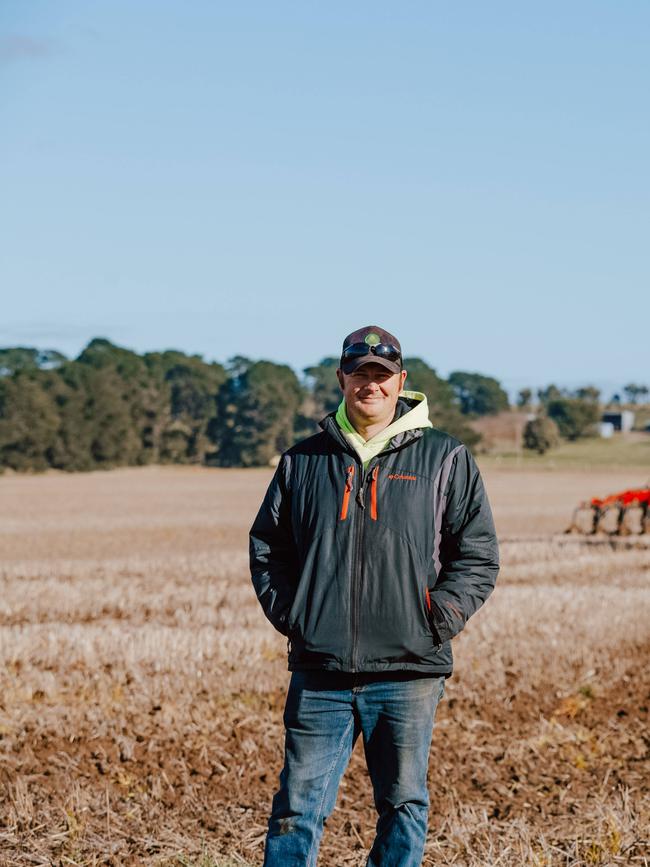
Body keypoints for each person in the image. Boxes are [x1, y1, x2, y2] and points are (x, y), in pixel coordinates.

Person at [249, 325, 499, 866]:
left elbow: (476, 555)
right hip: (321, 670)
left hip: (409, 668)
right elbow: (269, 548)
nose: (371, 385)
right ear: (342, 378)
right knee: (296, 808)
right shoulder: (303, 461)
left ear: (401, 381)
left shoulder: (445, 458)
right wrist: (299, 617)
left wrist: (434, 619)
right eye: (360, 373)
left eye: (381, 375)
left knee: (403, 805)